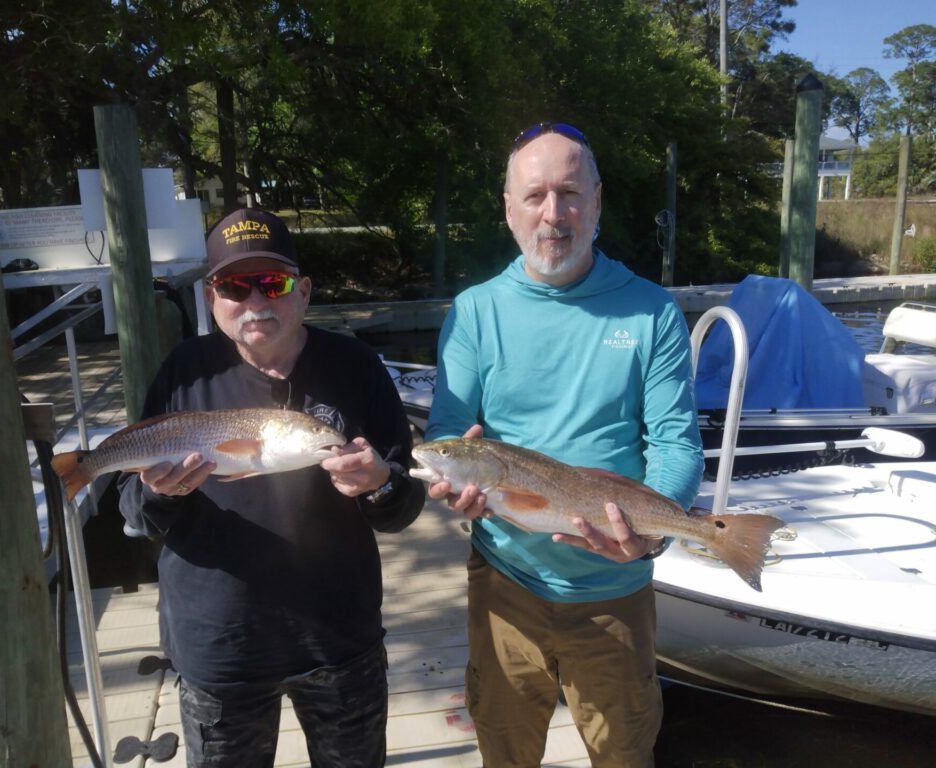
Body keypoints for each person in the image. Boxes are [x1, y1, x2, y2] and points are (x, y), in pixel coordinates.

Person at [425, 122, 704, 767]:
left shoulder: (652, 311)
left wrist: (654, 528)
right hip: (504, 584)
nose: (554, 215)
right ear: (509, 208)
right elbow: (450, 432)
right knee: (505, 749)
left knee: (625, 754)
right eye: (535, 196)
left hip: (616, 585)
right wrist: (452, 489)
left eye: (571, 193)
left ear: (598, 201)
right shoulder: (474, 312)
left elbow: (675, 443)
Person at [118, 207, 424, 767]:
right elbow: (136, 513)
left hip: (339, 639)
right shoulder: (183, 373)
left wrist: (380, 483)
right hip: (220, 645)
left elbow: (403, 504)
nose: (256, 301)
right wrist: (160, 492)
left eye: (273, 283)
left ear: (303, 291)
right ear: (212, 299)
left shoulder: (355, 367)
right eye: (235, 285)